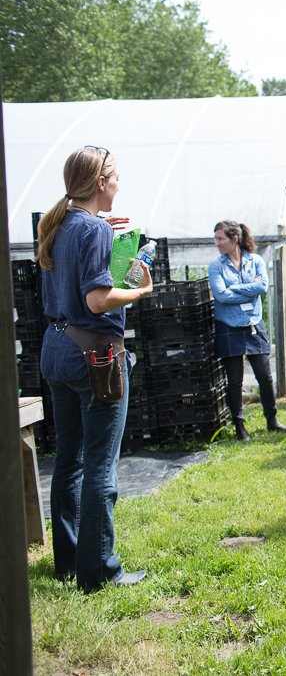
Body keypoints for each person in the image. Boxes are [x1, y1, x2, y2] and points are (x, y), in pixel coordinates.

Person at [41, 146, 151, 592]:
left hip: (56, 352)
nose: (121, 185)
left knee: (68, 462)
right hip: (97, 359)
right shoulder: (94, 231)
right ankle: (100, 571)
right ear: (101, 183)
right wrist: (141, 291)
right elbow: (97, 300)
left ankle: (67, 562)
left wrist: (101, 231)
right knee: (101, 469)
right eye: (117, 178)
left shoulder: (56, 225)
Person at [210, 220, 286, 440]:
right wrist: (249, 290)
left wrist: (233, 288)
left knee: (265, 376)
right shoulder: (216, 266)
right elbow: (220, 295)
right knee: (234, 380)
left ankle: (272, 420)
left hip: (253, 323)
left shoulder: (255, 261)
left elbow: (262, 287)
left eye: (220, 238)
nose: (216, 242)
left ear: (234, 239)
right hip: (228, 325)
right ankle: (239, 426)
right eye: (216, 238)